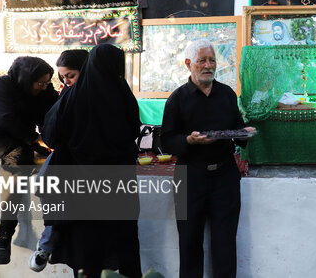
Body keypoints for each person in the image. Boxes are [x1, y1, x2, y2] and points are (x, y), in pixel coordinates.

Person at [42, 44, 142, 278]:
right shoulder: (123, 94)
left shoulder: (74, 97)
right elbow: (133, 132)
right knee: (125, 246)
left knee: (86, 253)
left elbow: (51, 135)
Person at [161, 39, 255, 278]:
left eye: (211, 60)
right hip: (189, 177)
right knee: (189, 244)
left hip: (224, 176)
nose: (208, 65)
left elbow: (236, 128)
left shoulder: (227, 94)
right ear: (188, 64)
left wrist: (244, 134)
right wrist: (189, 141)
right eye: (202, 60)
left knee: (225, 243)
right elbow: (167, 141)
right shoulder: (177, 99)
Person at [0, 57, 58, 265]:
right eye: (40, 82)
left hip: (19, 145)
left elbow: (54, 113)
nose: (44, 87)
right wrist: (35, 139)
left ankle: (3, 239)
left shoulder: (44, 93)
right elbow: (5, 118)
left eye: (46, 83)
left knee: (15, 177)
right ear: (26, 77)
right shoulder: (1, 85)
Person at [28, 49, 88, 273]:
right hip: (64, 161)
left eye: (71, 75)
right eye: (63, 77)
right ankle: (45, 245)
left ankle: (45, 245)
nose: (67, 81)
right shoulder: (67, 93)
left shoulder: (96, 95)